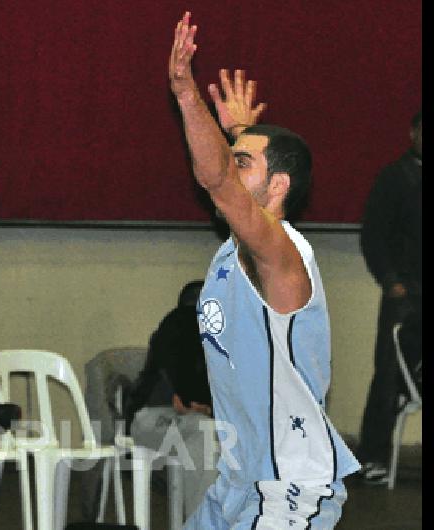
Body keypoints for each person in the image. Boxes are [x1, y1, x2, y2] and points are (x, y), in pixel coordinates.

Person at [168, 12, 359, 528]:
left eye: (244, 162)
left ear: (278, 187)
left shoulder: (279, 252)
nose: (231, 167)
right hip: (238, 480)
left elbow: (217, 181)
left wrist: (187, 94)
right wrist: (240, 135)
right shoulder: (233, 251)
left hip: (288, 490)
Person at [356, 110, 422, 485]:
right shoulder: (395, 178)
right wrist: (392, 282)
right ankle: (373, 457)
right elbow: (374, 236)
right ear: (413, 132)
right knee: (389, 375)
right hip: (406, 295)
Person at [121, 279, 218, 517]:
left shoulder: (212, 338)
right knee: (205, 433)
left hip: (179, 425)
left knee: (209, 435)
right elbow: (184, 396)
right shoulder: (179, 324)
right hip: (152, 418)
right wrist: (198, 405)